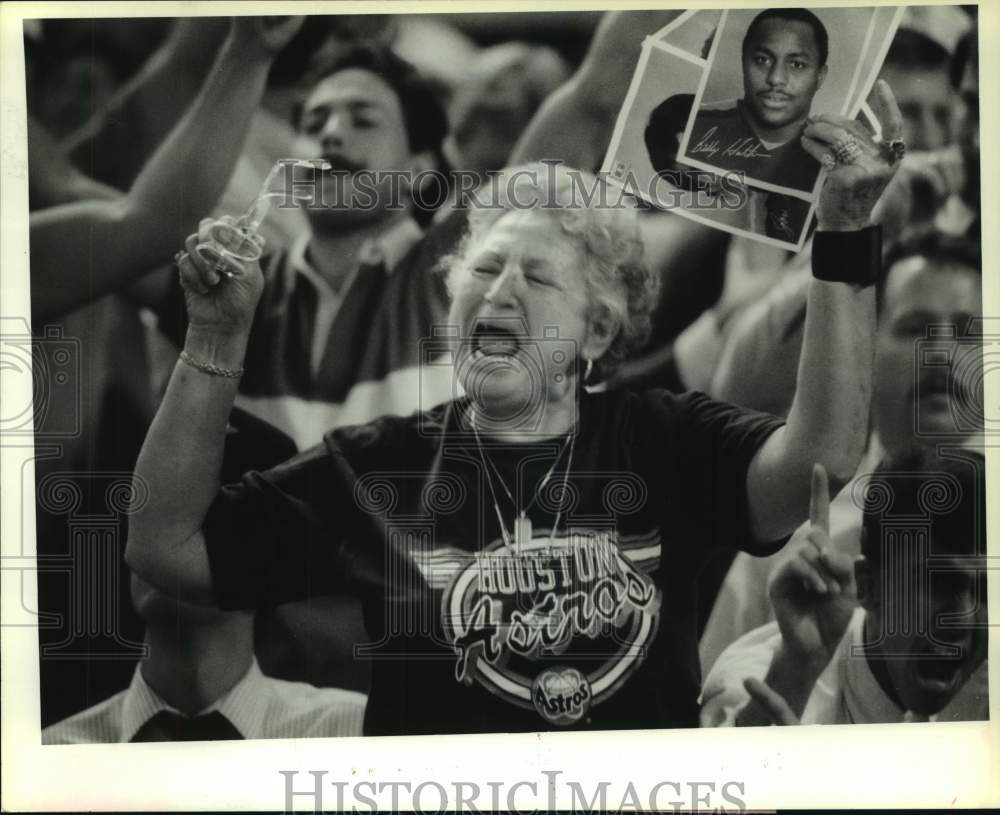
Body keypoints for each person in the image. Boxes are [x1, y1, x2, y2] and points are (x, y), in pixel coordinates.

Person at [125, 72, 902, 734]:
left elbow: (821, 461)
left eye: (535, 278)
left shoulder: (665, 439)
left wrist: (843, 232)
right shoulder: (377, 464)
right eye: (484, 270)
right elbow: (166, 547)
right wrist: (217, 341)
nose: (497, 291)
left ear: (598, 328)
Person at [700, 230, 983, 671]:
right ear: (864, 346)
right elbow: (718, 711)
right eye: (914, 328)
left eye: (968, 332)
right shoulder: (790, 535)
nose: (941, 354)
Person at [157, 40, 454, 452]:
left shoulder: (463, 270)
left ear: (419, 171)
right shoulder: (231, 285)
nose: (330, 135)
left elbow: (578, 113)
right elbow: (129, 230)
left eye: (363, 120)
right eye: (314, 125)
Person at [701, 450, 988, 726]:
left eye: (989, 593)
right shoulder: (764, 679)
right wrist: (794, 676)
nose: (962, 618)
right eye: (939, 583)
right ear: (867, 585)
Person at [42, 575, 366, 743]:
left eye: (195, 519)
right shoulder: (53, 755)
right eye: (144, 518)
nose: (156, 543)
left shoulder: (352, 732)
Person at [681, 8, 827, 193]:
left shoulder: (827, 159)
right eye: (762, 60)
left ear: (820, 77)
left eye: (796, 64)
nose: (776, 78)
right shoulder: (691, 126)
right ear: (744, 62)